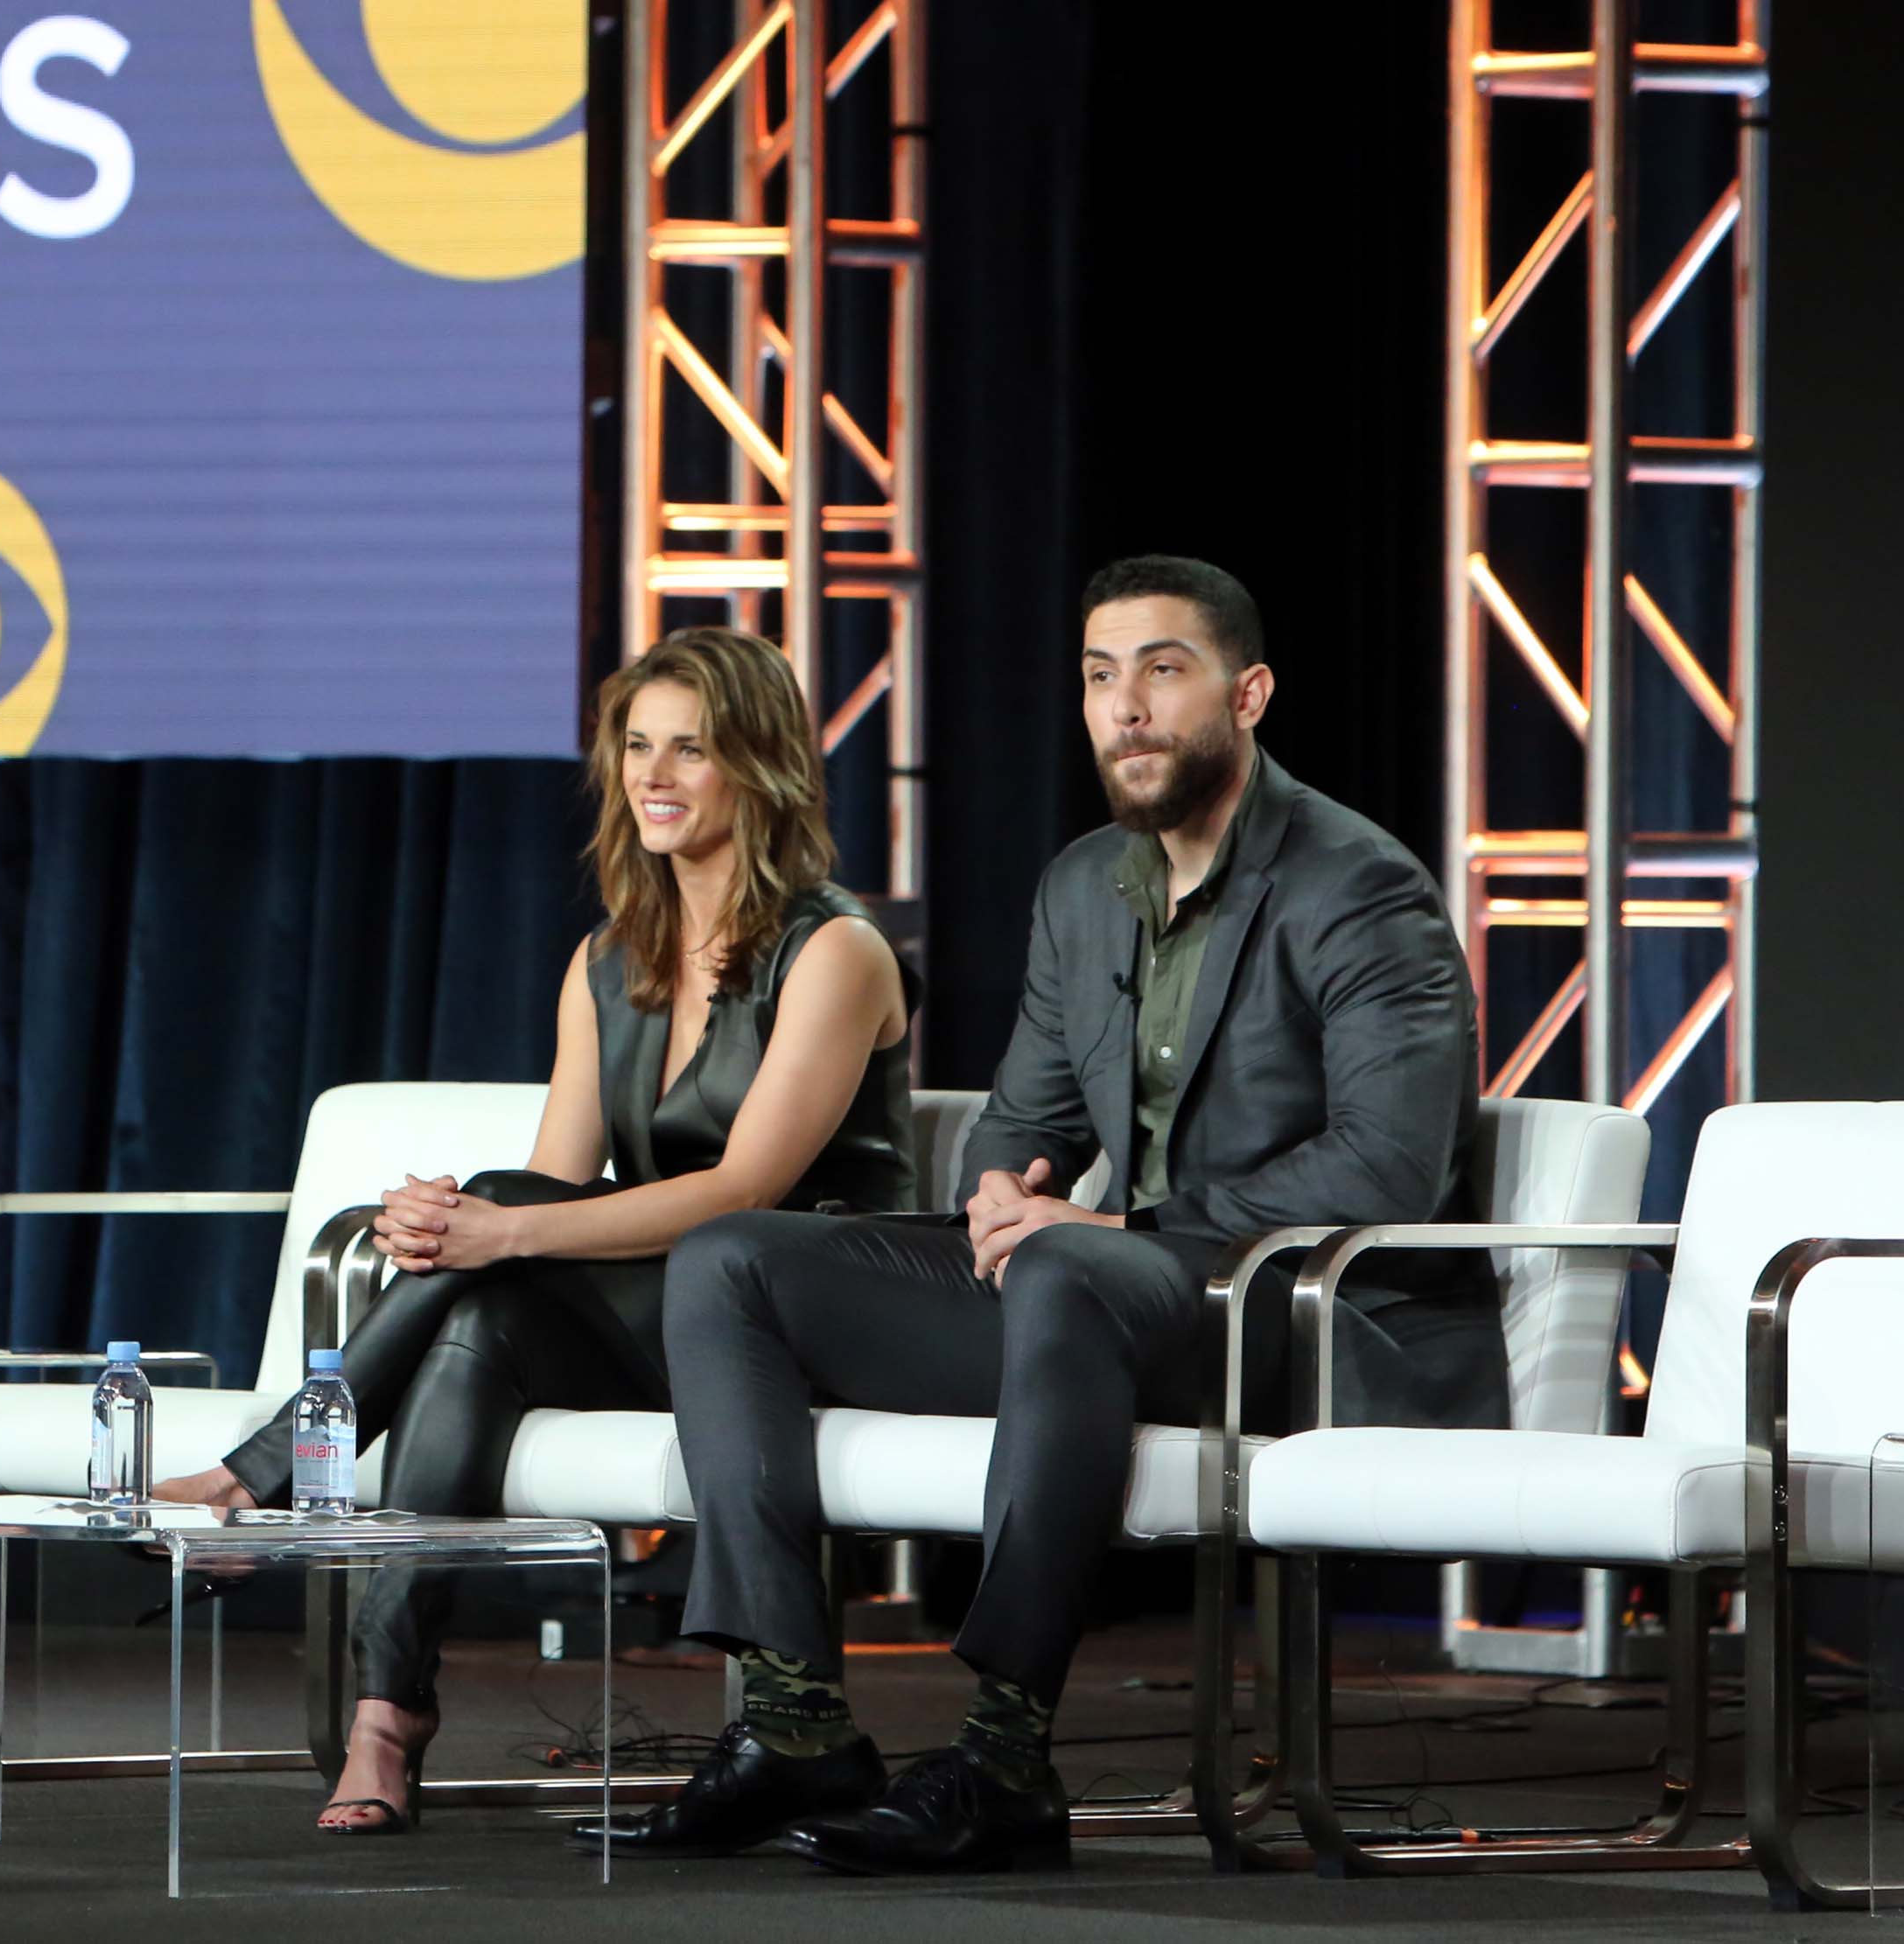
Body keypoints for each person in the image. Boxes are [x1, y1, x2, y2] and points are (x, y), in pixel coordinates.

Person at [583, 556, 1498, 1874]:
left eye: (1162, 669)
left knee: (1069, 1273)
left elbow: (1387, 1171)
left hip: (1311, 1317)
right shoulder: (1084, 886)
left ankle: (1006, 1753)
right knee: (734, 1256)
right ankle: (791, 1717)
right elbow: (1025, 1114)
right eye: (1098, 675)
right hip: (1119, 1304)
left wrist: (1125, 1228)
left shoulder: (1359, 885)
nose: (1125, 706)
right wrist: (1009, 1189)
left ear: (1248, 694)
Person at [152, 627, 918, 1835]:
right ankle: (384, 1718)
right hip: (670, 1317)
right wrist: (454, 1229)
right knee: (481, 1315)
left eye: (692, 749)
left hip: (802, 1314)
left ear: (760, 769)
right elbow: (556, 1190)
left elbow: (744, 1188)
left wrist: (494, 1225)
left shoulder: (837, 950)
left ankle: (270, 1475)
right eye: (636, 747)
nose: (654, 776)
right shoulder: (607, 962)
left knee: (503, 1240)